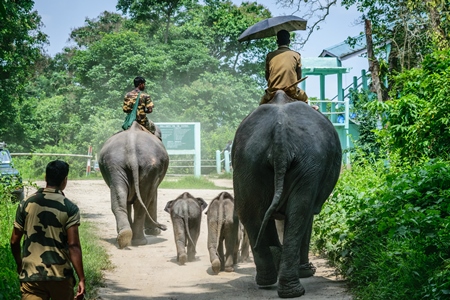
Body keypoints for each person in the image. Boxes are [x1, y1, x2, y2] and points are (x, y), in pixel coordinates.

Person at [10, 160, 86, 300]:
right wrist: (81, 278)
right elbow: (73, 245)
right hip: (60, 276)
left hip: (31, 276)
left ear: (45, 178)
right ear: (65, 181)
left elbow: (14, 241)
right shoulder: (69, 207)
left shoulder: (26, 203)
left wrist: (20, 263)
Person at [260, 29, 309, 105]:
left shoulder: (270, 55)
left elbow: (267, 77)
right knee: (305, 99)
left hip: (272, 93)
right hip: (292, 92)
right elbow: (299, 77)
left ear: (277, 42)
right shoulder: (296, 55)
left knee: (261, 106)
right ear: (289, 42)